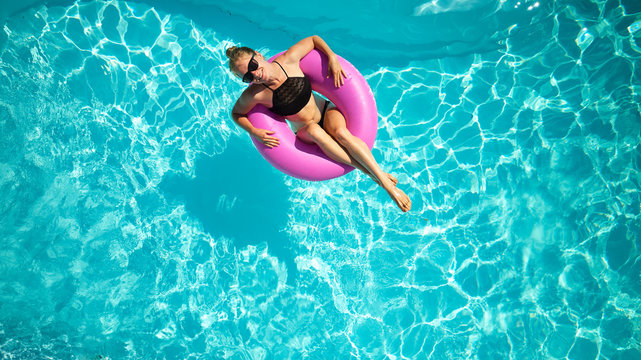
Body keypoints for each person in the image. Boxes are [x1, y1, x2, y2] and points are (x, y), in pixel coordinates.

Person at [226, 35, 411, 212]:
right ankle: (383, 182)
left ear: (258, 55)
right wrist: (254, 131)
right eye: (248, 77)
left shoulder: (288, 60)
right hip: (305, 130)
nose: (256, 74)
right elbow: (236, 113)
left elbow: (314, 39)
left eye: (253, 65)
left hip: (325, 110)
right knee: (315, 130)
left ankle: (382, 180)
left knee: (342, 134)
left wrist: (331, 57)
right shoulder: (256, 94)